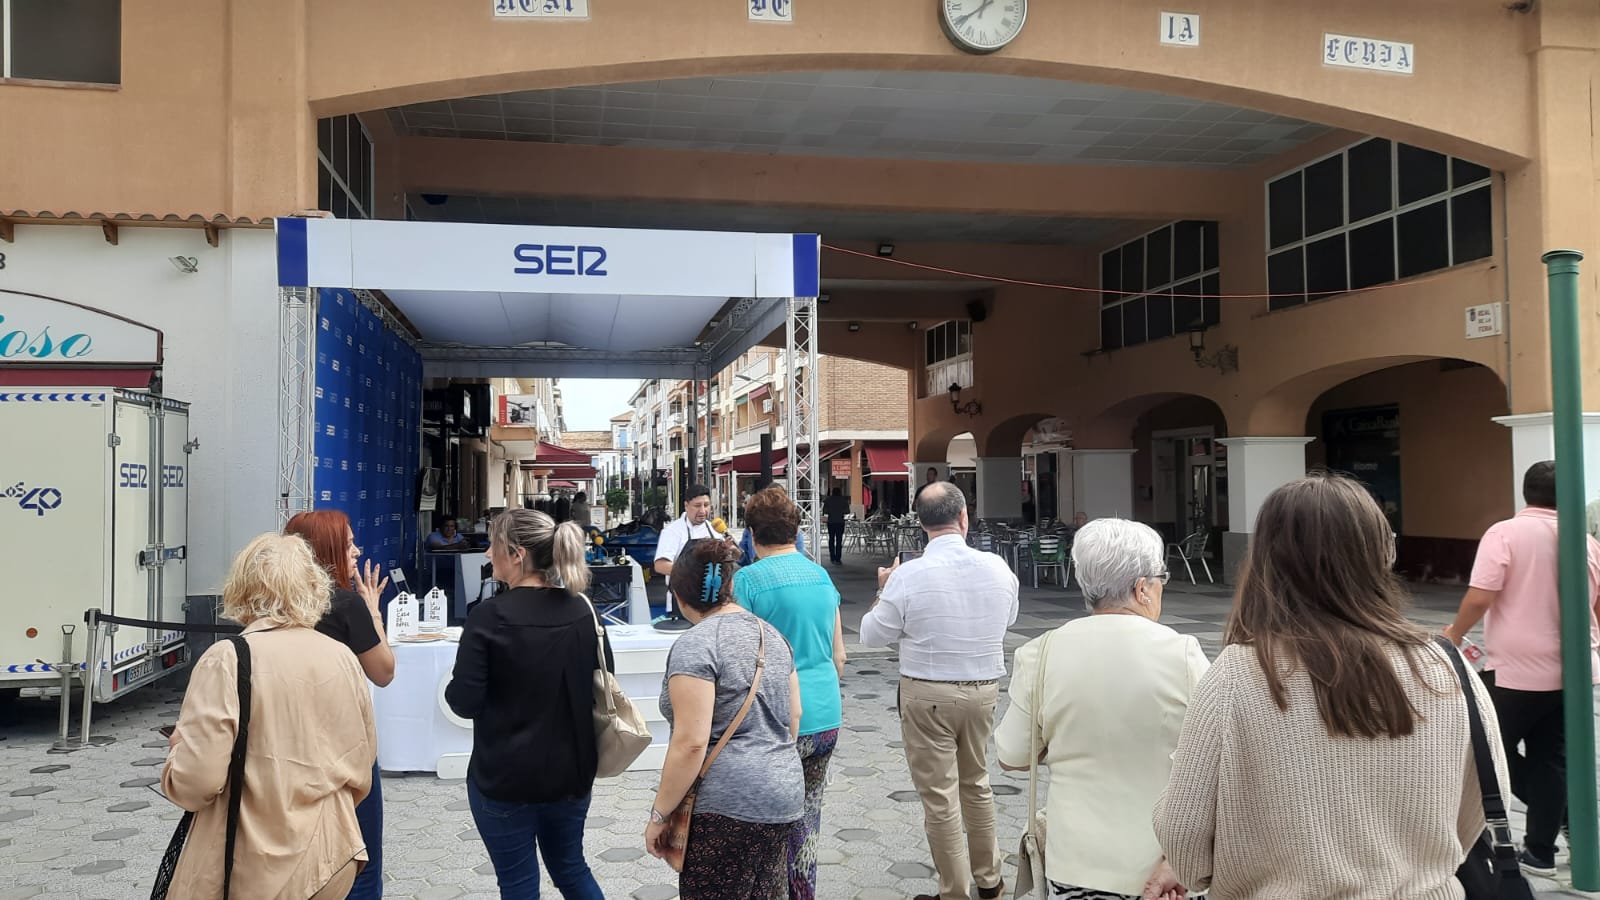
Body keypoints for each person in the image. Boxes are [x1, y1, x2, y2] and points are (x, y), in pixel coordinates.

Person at [1154, 473, 1512, 899]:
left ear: (1266, 559)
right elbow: (1484, 805)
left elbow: (1185, 834)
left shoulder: (1238, 674)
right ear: (1383, 553)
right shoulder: (1445, 664)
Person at [994, 518, 1207, 899]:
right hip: (1161, 865)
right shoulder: (1183, 654)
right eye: (1161, 579)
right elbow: (1217, 760)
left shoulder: (1041, 652)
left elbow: (1011, 755)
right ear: (1142, 588)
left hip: (1073, 860)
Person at [161, 533, 376, 899]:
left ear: (241, 587)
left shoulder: (226, 659)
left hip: (250, 862)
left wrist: (176, 756)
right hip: (332, 852)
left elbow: (195, 784)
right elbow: (362, 760)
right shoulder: (341, 656)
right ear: (314, 586)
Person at [859, 482, 1019, 900]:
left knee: (940, 797)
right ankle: (991, 879)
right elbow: (1010, 617)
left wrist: (882, 588)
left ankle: (955, 891)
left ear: (920, 523)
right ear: (964, 517)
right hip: (984, 688)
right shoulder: (998, 568)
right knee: (977, 783)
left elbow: (872, 635)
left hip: (927, 692)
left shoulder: (908, 575)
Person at [1444, 460, 1600, 874]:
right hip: (1575, 672)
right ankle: (1541, 850)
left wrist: (1454, 634)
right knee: (1553, 757)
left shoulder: (1504, 533)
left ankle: (1553, 821)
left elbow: (1481, 596)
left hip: (1515, 668)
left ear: (1526, 491)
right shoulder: (1585, 541)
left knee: (1486, 751)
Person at [445, 509, 609, 899]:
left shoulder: (486, 617)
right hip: (572, 773)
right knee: (572, 869)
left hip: (504, 777)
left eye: (493, 545)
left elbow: (463, 702)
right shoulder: (583, 611)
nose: (487, 554)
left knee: (518, 884)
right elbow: (603, 684)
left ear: (517, 555)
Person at [646, 540, 805, 899]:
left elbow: (691, 743)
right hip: (783, 793)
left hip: (725, 804)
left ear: (680, 595)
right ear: (730, 586)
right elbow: (794, 715)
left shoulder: (696, 645)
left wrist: (659, 814)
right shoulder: (772, 636)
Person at [734, 486, 847, 900]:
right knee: (806, 819)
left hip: (774, 721)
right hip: (825, 715)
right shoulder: (821, 575)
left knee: (763, 827)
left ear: (752, 533)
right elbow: (839, 656)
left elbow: (739, 656)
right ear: (795, 531)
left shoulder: (748, 581)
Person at [283, 509, 395, 900]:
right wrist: (374, 610)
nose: (356, 550)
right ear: (325, 549)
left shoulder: (271, 609)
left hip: (283, 748)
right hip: (346, 750)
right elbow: (383, 671)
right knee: (359, 861)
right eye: (348, 543)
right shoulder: (344, 605)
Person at [655, 484, 726, 577]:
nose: (702, 510)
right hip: (681, 590)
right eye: (697, 506)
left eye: (706, 505)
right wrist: (690, 574)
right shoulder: (672, 531)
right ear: (686, 505)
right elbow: (660, 565)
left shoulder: (715, 529)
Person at [822, 487, 850, 565]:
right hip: (840, 522)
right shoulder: (843, 500)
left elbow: (825, 511)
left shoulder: (828, 500)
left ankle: (832, 557)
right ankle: (838, 558)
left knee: (831, 539)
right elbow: (847, 511)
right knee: (839, 540)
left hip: (831, 522)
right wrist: (840, 512)